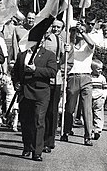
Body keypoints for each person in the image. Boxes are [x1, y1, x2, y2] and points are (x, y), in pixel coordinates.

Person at [12, 42, 57, 162]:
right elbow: (15, 72)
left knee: (39, 120)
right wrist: (16, 83)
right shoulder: (22, 55)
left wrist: (36, 69)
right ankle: (27, 147)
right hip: (25, 92)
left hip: (41, 92)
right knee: (26, 121)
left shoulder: (49, 55)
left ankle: (37, 152)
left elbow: (52, 72)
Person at [60, 22, 96, 146]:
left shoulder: (87, 46)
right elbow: (63, 61)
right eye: (75, 32)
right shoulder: (69, 46)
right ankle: (66, 131)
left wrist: (83, 32)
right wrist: (66, 50)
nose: (77, 35)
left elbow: (91, 43)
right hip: (73, 77)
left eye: (79, 33)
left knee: (87, 108)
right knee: (70, 107)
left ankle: (88, 135)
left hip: (86, 77)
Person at [42, 19, 65, 153]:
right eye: (54, 26)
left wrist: (67, 50)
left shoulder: (61, 41)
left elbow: (66, 61)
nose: (55, 29)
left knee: (52, 112)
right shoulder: (43, 39)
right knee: (40, 111)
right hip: (41, 79)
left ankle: (49, 141)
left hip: (55, 80)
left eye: (58, 27)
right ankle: (38, 139)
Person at [90, 59, 107, 140]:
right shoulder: (89, 77)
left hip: (99, 98)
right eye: (98, 69)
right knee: (89, 114)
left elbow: (105, 88)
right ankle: (90, 129)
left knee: (98, 113)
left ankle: (98, 129)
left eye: (101, 69)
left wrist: (103, 97)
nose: (100, 71)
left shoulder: (102, 78)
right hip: (90, 97)